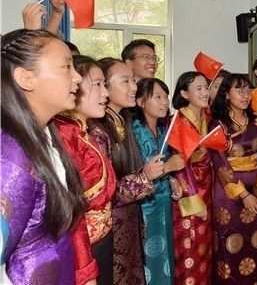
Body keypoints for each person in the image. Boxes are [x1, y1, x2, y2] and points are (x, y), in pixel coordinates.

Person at [1, 29, 86, 283]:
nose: (78, 77)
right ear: (26, 79)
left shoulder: (45, 133)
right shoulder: (11, 155)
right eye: (66, 67)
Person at [88, 58, 165, 284]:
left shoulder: (122, 122)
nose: (133, 87)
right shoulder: (97, 130)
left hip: (128, 220)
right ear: (105, 87)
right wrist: (145, 176)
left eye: (133, 80)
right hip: (110, 227)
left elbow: (122, 172)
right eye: (125, 81)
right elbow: (104, 192)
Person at [54, 55, 116, 285]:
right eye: (97, 85)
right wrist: (84, 268)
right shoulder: (64, 134)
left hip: (99, 239)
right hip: (82, 247)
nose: (106, 94)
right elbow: (71, 212)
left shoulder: (80, 130)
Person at [209, 73, 257, 284]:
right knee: (230, 244)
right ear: (226, 94)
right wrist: (244, 195)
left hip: (256, 189)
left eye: (248, 90)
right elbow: (220, 164)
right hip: (228, 195)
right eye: (239, 90)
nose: (246, 95)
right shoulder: (217, 124)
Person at [132, 78, 183, 284]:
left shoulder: (163, 129)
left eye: (166, 97)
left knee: (166, 255)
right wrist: (169, 167)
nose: (164, 102)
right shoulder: (133, 131)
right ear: (140, 102)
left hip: (163, 202)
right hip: (144, 205)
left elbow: (165, 167)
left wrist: (172, 180)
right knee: (149, 258)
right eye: (157, 97)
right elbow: (137, 172)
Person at [171, 71, 213, 285]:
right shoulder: (178, 121)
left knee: (205, 248)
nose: (205, 92)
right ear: (184, 94)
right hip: (190, 193)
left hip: (208, 186)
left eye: (206, 87)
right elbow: (180, 166)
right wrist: (195, 201)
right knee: (189, 247)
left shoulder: (206, 117)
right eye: (199, 88)